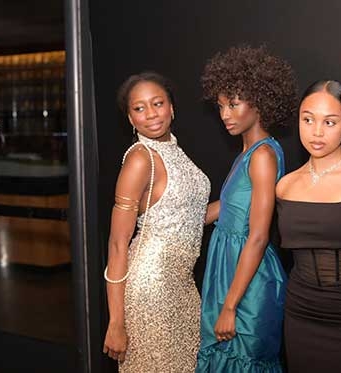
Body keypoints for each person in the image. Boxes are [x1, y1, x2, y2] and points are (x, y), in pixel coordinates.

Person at [196, 45, 298, 372]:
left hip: (248, 282)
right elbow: (224, 209)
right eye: (221, 105)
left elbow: (258, 236)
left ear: (259, 101)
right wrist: (170, 220)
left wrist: (230, 306)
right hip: (227, 268)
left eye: (234, 104)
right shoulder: (247, 153)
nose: (225, 114)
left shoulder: (263, 156)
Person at [102, 71, 211, 372]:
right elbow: (117, 243)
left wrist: (241, 197)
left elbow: (188, 218)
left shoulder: (175, 150)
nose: (151, 114)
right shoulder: (141, 158)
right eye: (139, 108)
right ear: (130, 117)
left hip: (182, 287)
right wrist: (115, 321)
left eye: (157, 103)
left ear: (172, 107)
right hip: (150, 288)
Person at [275, 80, 341, 372]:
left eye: (329, 122)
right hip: (300, 310)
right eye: (308, 119)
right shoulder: (285, 186)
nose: (316, 132)